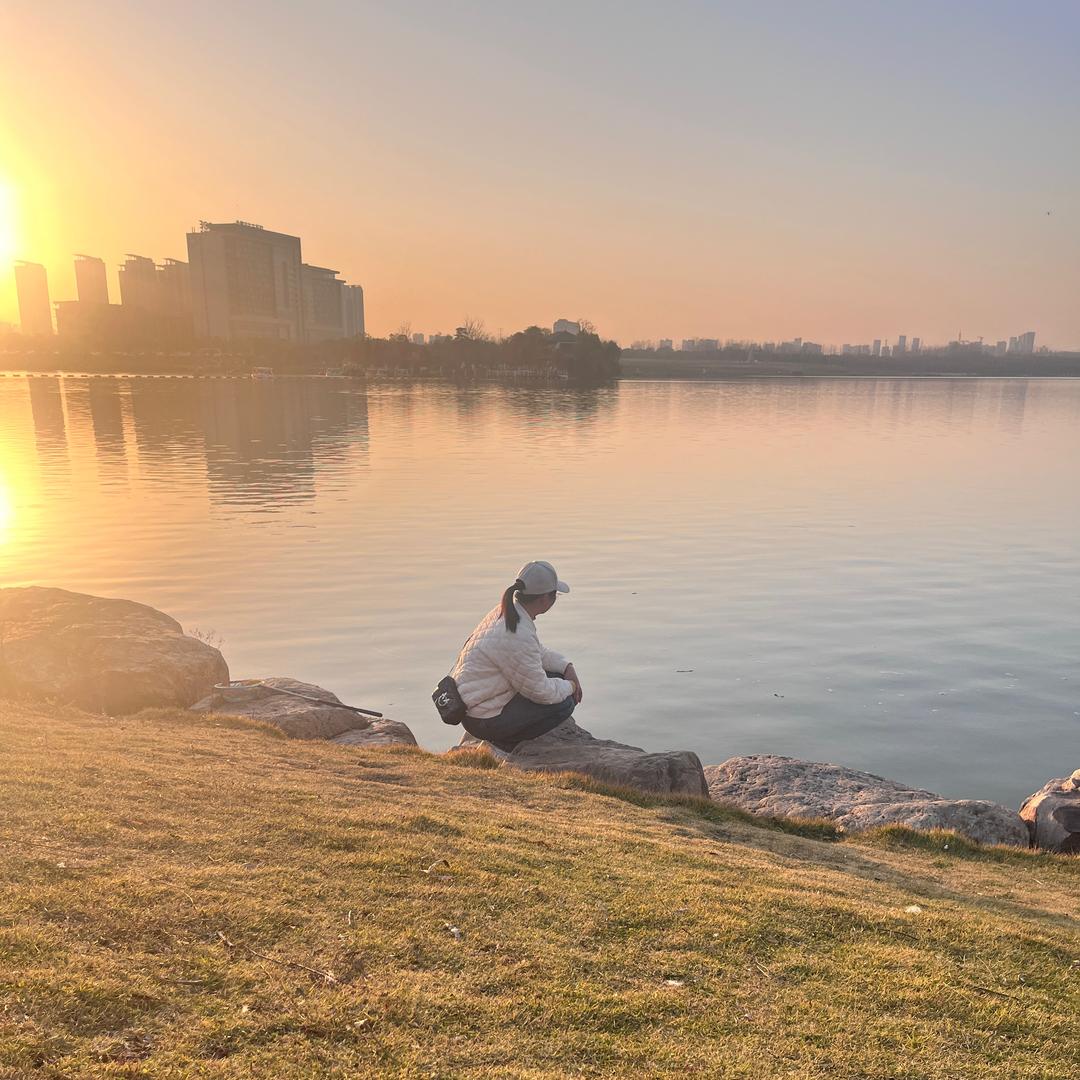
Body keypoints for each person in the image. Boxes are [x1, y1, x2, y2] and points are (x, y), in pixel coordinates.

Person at [451, 560, 582, 752]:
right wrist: (571, 686)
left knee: (558, 679)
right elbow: (541, 692)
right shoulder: (517, 632)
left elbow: (536, 652)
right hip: (483, 718)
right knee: (564, 703)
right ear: (545, 599)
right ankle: (505, 742)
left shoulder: (508, 611)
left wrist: (566, 667)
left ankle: (504, 736)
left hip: (476, 706)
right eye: (555, 596)